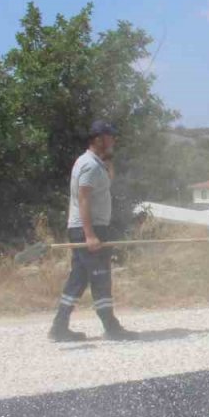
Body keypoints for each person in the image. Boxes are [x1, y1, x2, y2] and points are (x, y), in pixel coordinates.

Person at [48, 120, 138, 341]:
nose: (113, 140)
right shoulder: (88, 164)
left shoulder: (96, 163)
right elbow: (84, 198)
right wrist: (89, 235)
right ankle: (111, 326)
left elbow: (107, 181)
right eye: (110, 136)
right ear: (98, 139)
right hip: (88, 228)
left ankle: (59, 327)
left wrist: (108, 160)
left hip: (89, 227)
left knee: (78, 279)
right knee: (101, 276)